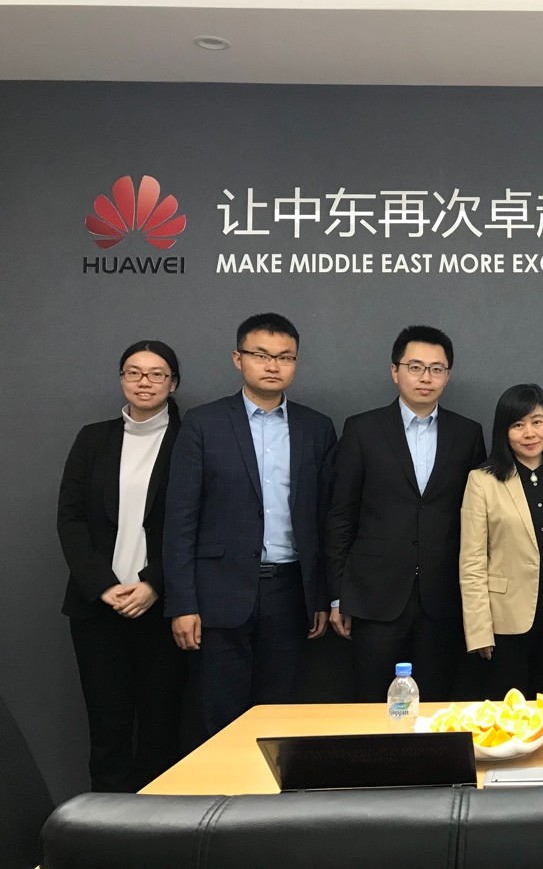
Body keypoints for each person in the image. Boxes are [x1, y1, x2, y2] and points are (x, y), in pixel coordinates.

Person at [163, 313, 336, 737]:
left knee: (279, 716)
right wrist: (182, 603)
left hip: (290, 590)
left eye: (285, 357)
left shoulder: (316, 427)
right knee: (217, 716)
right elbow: (180, 520)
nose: (273, 365)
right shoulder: (204, 424)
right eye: (261, 355)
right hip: (218, 593)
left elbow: (325, 519)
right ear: (238, 359)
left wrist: (321, 595)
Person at [326, 326, 487, 702]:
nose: (425, 377)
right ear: (395, 371)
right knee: (372, 704)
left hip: (442, 597)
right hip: (374, 597)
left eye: (436, 368)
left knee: (437, 705)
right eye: (415, 367)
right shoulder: (362, 429)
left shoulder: (467, 433)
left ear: (447, 375)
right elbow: (340, 516)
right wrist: (337, 596)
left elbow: (477, 520)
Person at [57, 340, 187, 791]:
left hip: (163, 606)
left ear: (173, 383)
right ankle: (105, 822)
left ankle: (159, 822)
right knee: (107, 726)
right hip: (99, 607)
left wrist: (153, 583)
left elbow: (198, 525)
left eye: (156, 374)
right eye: (134, 372)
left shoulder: (192, 438)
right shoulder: (93, 438)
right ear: (121, 379)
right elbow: (70, 519)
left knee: (161, 727)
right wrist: (103, 585)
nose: (144, 382)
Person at [458, 384, 543, 700]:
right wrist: (479, 631)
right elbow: (472, 562)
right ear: (503, 432)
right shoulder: (482, 481)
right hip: (504, 626)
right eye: (518, 425)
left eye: (537, 421)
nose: (529, 433)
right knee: (509, 717)